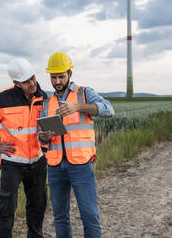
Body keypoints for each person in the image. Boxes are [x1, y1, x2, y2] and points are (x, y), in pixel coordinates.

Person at [38, 52, 115, 238]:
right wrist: (44, 138)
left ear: (70, 74)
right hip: (55, 166)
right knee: (60, 217)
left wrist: (78, 107)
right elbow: (40, 139)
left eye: (61, 76)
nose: (57, 81)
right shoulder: (47, 102)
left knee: (89, 215)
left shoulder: (84, 93)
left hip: (80, 164)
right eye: (53, 77)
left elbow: (108, 110)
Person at [0, 58, 48, 238]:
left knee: (38, 207)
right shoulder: (0, 100)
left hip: (38, 162)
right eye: (26, 81)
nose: (32, 83)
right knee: (6, 209)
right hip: (12, 164)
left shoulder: (43, 97)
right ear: (16, 83)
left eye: (33, 78)